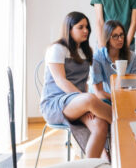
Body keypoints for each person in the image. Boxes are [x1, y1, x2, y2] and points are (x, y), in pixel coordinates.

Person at [40, 12, 111, 159]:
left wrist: (85, 103)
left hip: (77, 102)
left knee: (100, 126)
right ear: (69, 29)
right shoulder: (57, 49)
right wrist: (85, 101)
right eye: (81, 27)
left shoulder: (86, 51)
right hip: (55, 103)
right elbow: (61, 81)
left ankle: (93, 163)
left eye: (87, 27)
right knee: (90, 99)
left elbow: (83, 83)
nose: (86, 30)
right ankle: (125, 125)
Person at [90, 20, 136, 103]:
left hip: (126, 98)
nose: (120, 39)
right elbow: (99, 92)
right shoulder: (97, 57)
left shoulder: (132, 56)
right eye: (115, 36)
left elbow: (133, 85)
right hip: (105, 99)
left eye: (121, 35)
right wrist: (118, 98)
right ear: (107, 38)